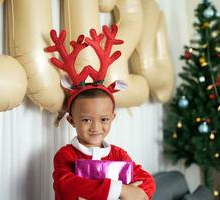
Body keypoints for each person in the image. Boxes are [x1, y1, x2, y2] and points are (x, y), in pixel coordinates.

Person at [46, 24, 155, 200]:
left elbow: (146, 180)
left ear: (113, 118)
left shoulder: (118, 154)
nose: (96, 127)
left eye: (104, 119)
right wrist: (121, 190)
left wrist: (140, 192)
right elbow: (66, 186)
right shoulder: (66, 155)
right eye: (86, 120)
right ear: (72, 120)